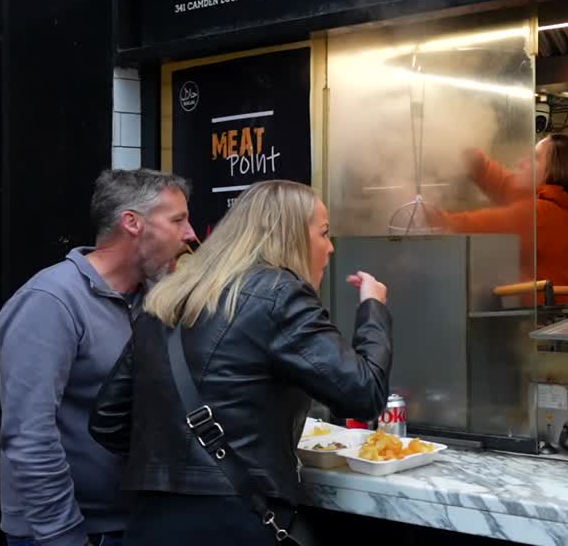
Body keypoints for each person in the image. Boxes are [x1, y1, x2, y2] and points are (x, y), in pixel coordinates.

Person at [90, 179, 392, 545]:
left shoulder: (169, 298)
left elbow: (107, 420)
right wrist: (372, 309)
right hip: (231, 522)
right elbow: (363, 394)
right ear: (292, 235)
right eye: (324, 233)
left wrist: (172, 459)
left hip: (150, 522)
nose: (329, 247)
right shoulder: (280, 293)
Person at [0, 169, 196, 546]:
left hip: (137, 525)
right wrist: (63, 536)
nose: (191, 234)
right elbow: (29, 434)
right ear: (132, 223)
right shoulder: (51, 301)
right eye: (178, 220)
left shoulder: (154, 302)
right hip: (69, 532)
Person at [431, 134, 568, 307]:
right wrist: (464, 152)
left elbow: (471, 226)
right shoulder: (558, 203)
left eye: (535, 158)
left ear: (555, 171)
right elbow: (504, 183)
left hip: (552, 325)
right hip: (561, 318)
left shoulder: (542, 213)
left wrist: (432, 218)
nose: (522, 162)